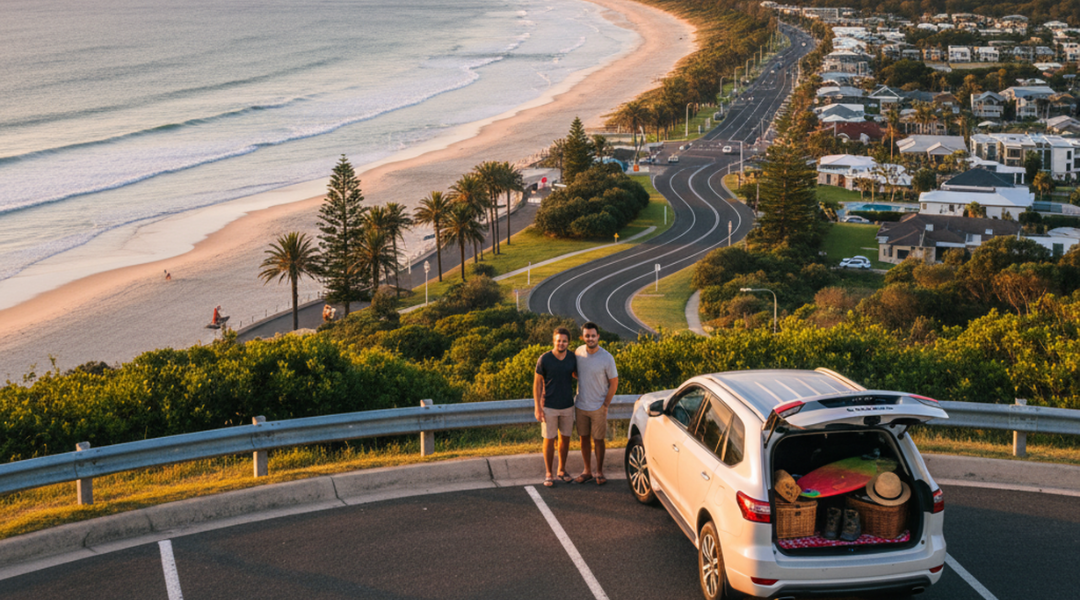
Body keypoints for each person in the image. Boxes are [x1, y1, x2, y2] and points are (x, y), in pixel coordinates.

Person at [572, 322, 618, 486]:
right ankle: (587, 471)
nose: (590, 338)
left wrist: (605, 404)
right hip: (581, 405)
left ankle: (599, 471)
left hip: (598, 406)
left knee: (598, 439)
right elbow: (574, 372)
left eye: (593, 335)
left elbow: (614, 382)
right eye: (587, 335)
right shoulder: (577, 352)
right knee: (583, 439)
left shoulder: (607, 357)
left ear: (598, 336)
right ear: (582, 337)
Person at [533, 327, 577, 487]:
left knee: (565, 440)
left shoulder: (573, 358)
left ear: (568, 342)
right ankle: (549, 473)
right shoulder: (544, 359)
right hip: (549, 406)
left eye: (564, 341)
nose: (561, 343)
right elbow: (537, 384)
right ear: (554, 341)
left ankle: (562, 470)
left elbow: (578, 374)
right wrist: (537, 407)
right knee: (549, 440)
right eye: (559, 340)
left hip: (567, 406)